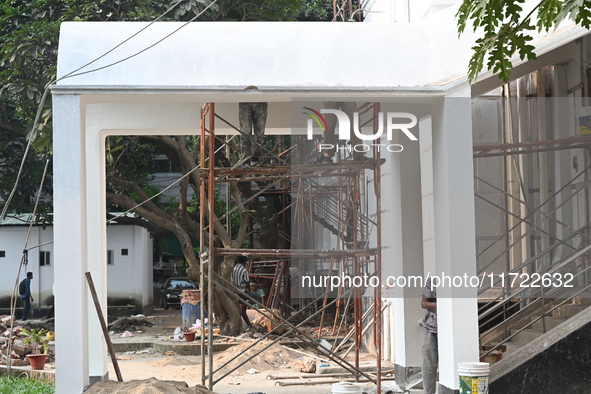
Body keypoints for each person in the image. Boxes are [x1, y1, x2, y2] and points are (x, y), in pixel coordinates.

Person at [231, 256, 261, 329]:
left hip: (234, 291)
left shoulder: (232, 268)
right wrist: (249, 291)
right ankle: (244, 305)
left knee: (243, 312)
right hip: (242, 291)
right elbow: (247, 282)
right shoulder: (244, 270)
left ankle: (250, 326)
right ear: (245, 262)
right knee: (257, 297)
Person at [421, 277, 438, 394]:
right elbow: (423, 303)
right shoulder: (433, 280)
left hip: (449, 330)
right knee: (429, 366)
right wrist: (438, 304)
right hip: (431, 329)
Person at [239, 102, 268, 168]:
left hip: (261, 102)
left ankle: (255, 159)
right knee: (245, 135)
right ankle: (245, 161)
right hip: (245, 102)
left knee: (259, 135)